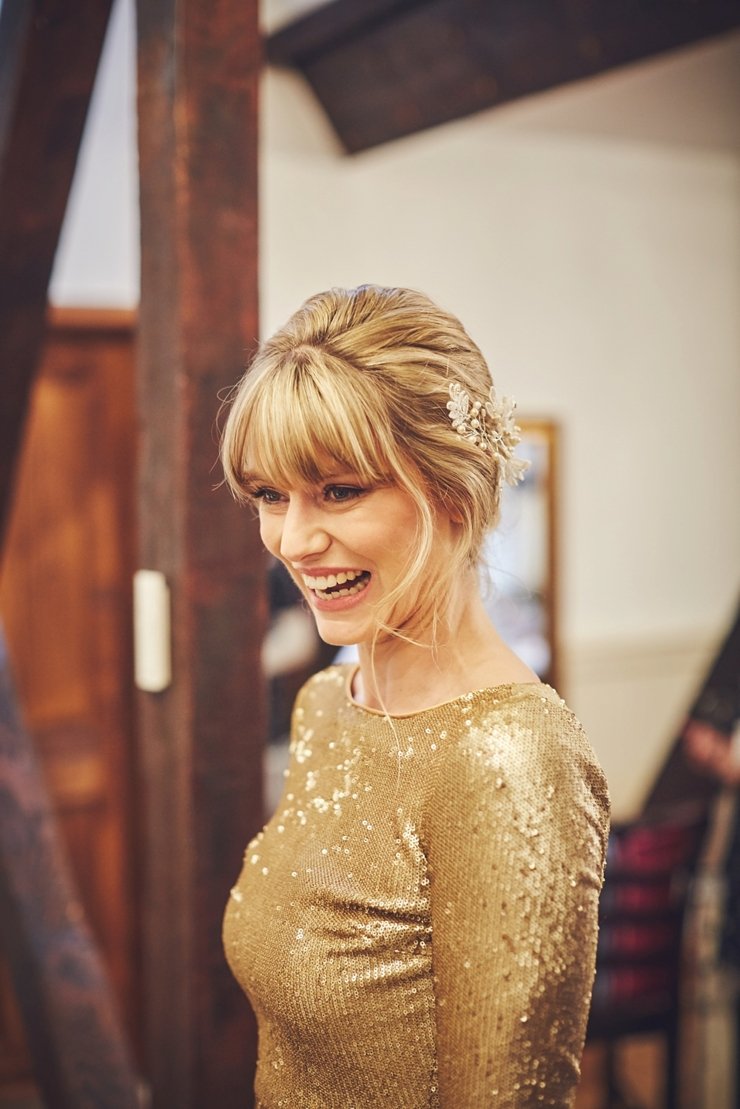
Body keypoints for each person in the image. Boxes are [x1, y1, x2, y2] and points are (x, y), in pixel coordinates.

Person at [220, 285, 610, 1107]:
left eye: (338, 490)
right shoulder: (329, 703)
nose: (292, 539)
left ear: (453, 493)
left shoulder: (508, 760)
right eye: (269, 494)